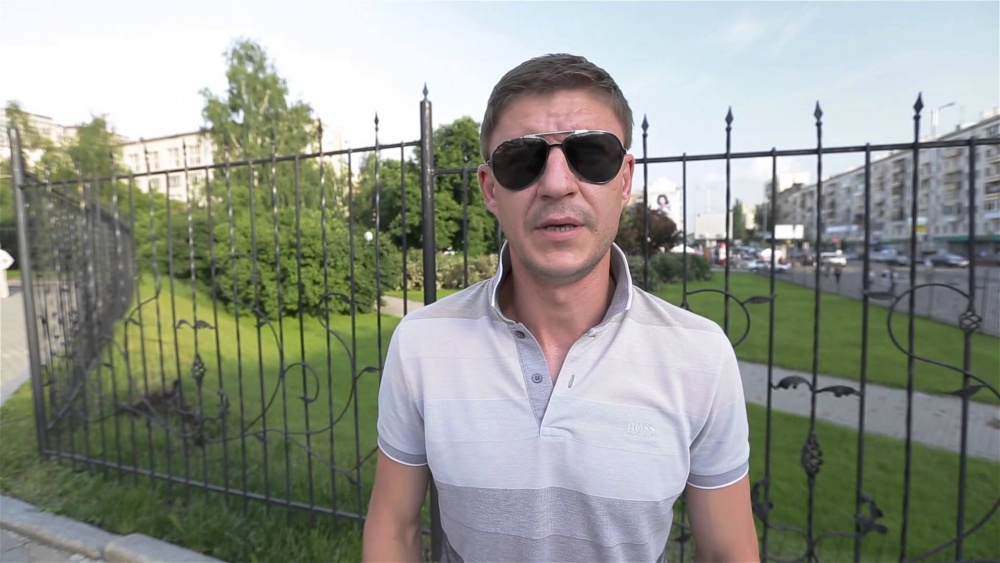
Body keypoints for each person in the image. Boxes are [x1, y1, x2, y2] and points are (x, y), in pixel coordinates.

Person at [362, 53, 758, 562]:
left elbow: (729, 551)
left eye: (591, 154)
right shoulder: (421, 344)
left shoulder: (700, 356)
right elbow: (393, 531)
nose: (556, 183)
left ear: (625, 180)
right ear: (490, 189)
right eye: (521, 160)